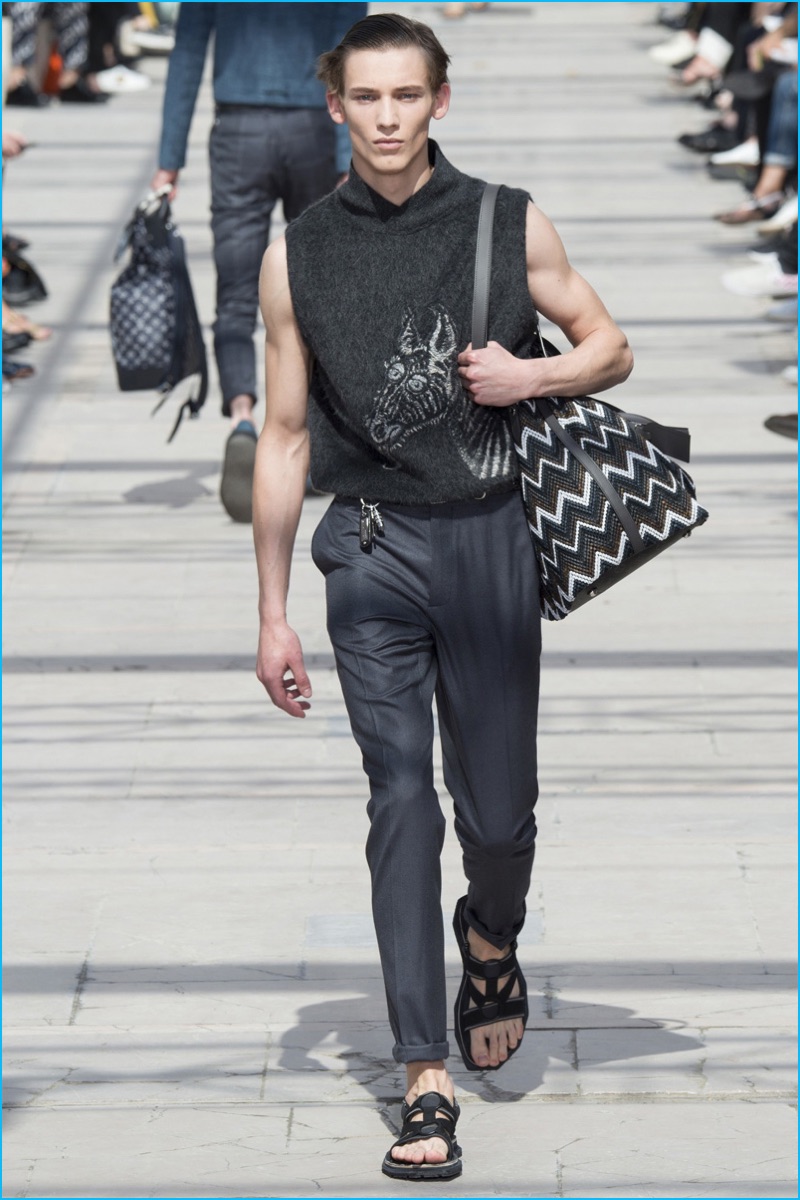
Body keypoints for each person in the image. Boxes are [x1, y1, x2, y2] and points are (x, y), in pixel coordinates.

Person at [253, 12, 633, 1182]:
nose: (383, 117)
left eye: (403, 97)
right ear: (334, 106)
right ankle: (423, 1074)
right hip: (367, 549)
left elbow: (609, 345)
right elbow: (278, 433)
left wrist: (537, 373)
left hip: (487, 542)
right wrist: (270, 611)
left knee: (499, 814)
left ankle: (490, 933)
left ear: (437, 102)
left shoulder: (503, 221)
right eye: (363, 98)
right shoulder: (296, 252)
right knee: (398, 802)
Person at [150, 2, 366, 523]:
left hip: (237, 131)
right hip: (312, 129)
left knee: (237, 289)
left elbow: (187, 54)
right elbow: (350, 53)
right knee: (316, 289)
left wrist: (168, 161)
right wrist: (346, 154)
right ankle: (308, 431)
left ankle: (243, 419)